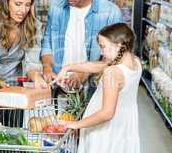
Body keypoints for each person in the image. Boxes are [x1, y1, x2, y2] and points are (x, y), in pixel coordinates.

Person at [41, 0, 123, 98]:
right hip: (58, 83)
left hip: (93, 87)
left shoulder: (110, 12)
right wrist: (47, 68)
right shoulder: (56, 5)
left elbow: (115, 57)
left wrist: (83, 73)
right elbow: (47, 42)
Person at [56, 23, 142, 153]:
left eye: (103, 46)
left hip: (104, 132)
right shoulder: (135, 61)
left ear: (119, 45)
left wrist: (76, 124)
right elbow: (99, 65)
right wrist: (68, 67)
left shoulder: (112, 73)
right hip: (124, 127)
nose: (101, 52)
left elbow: (107, 113)